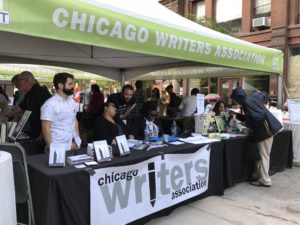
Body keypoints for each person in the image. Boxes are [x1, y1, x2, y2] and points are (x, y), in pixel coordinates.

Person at [230, 87, 282, 187]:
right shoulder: (249, 99)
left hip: (265, 131)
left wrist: (248, 123)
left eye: (234, 99)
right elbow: (255, 112)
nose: (235, 101)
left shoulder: (247, 102)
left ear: (237, 97)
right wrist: (236, 115)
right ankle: (259, 175)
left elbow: (258, 115)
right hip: (267, 130)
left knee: (264, 156)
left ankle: (265, 180)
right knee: (263, 155)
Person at [41, 73, 81, 151]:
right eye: (70, 84)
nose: (72, 86)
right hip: (57, 146)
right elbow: (45, 128)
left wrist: (77, 140)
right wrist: (52, 149)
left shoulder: (72, 101)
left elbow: (75, 121)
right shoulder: (50, 104)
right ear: (60, 85)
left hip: (72, 145)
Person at [7, 71, 51, 140]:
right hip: (33, 132)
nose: (17, 84)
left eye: (18, 80)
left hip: (42, 134)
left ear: (26, 80)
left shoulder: (40, 92)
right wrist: (6, 116)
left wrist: (42, 134)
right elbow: (19, 108)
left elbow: (50, 114)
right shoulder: (29, 94)